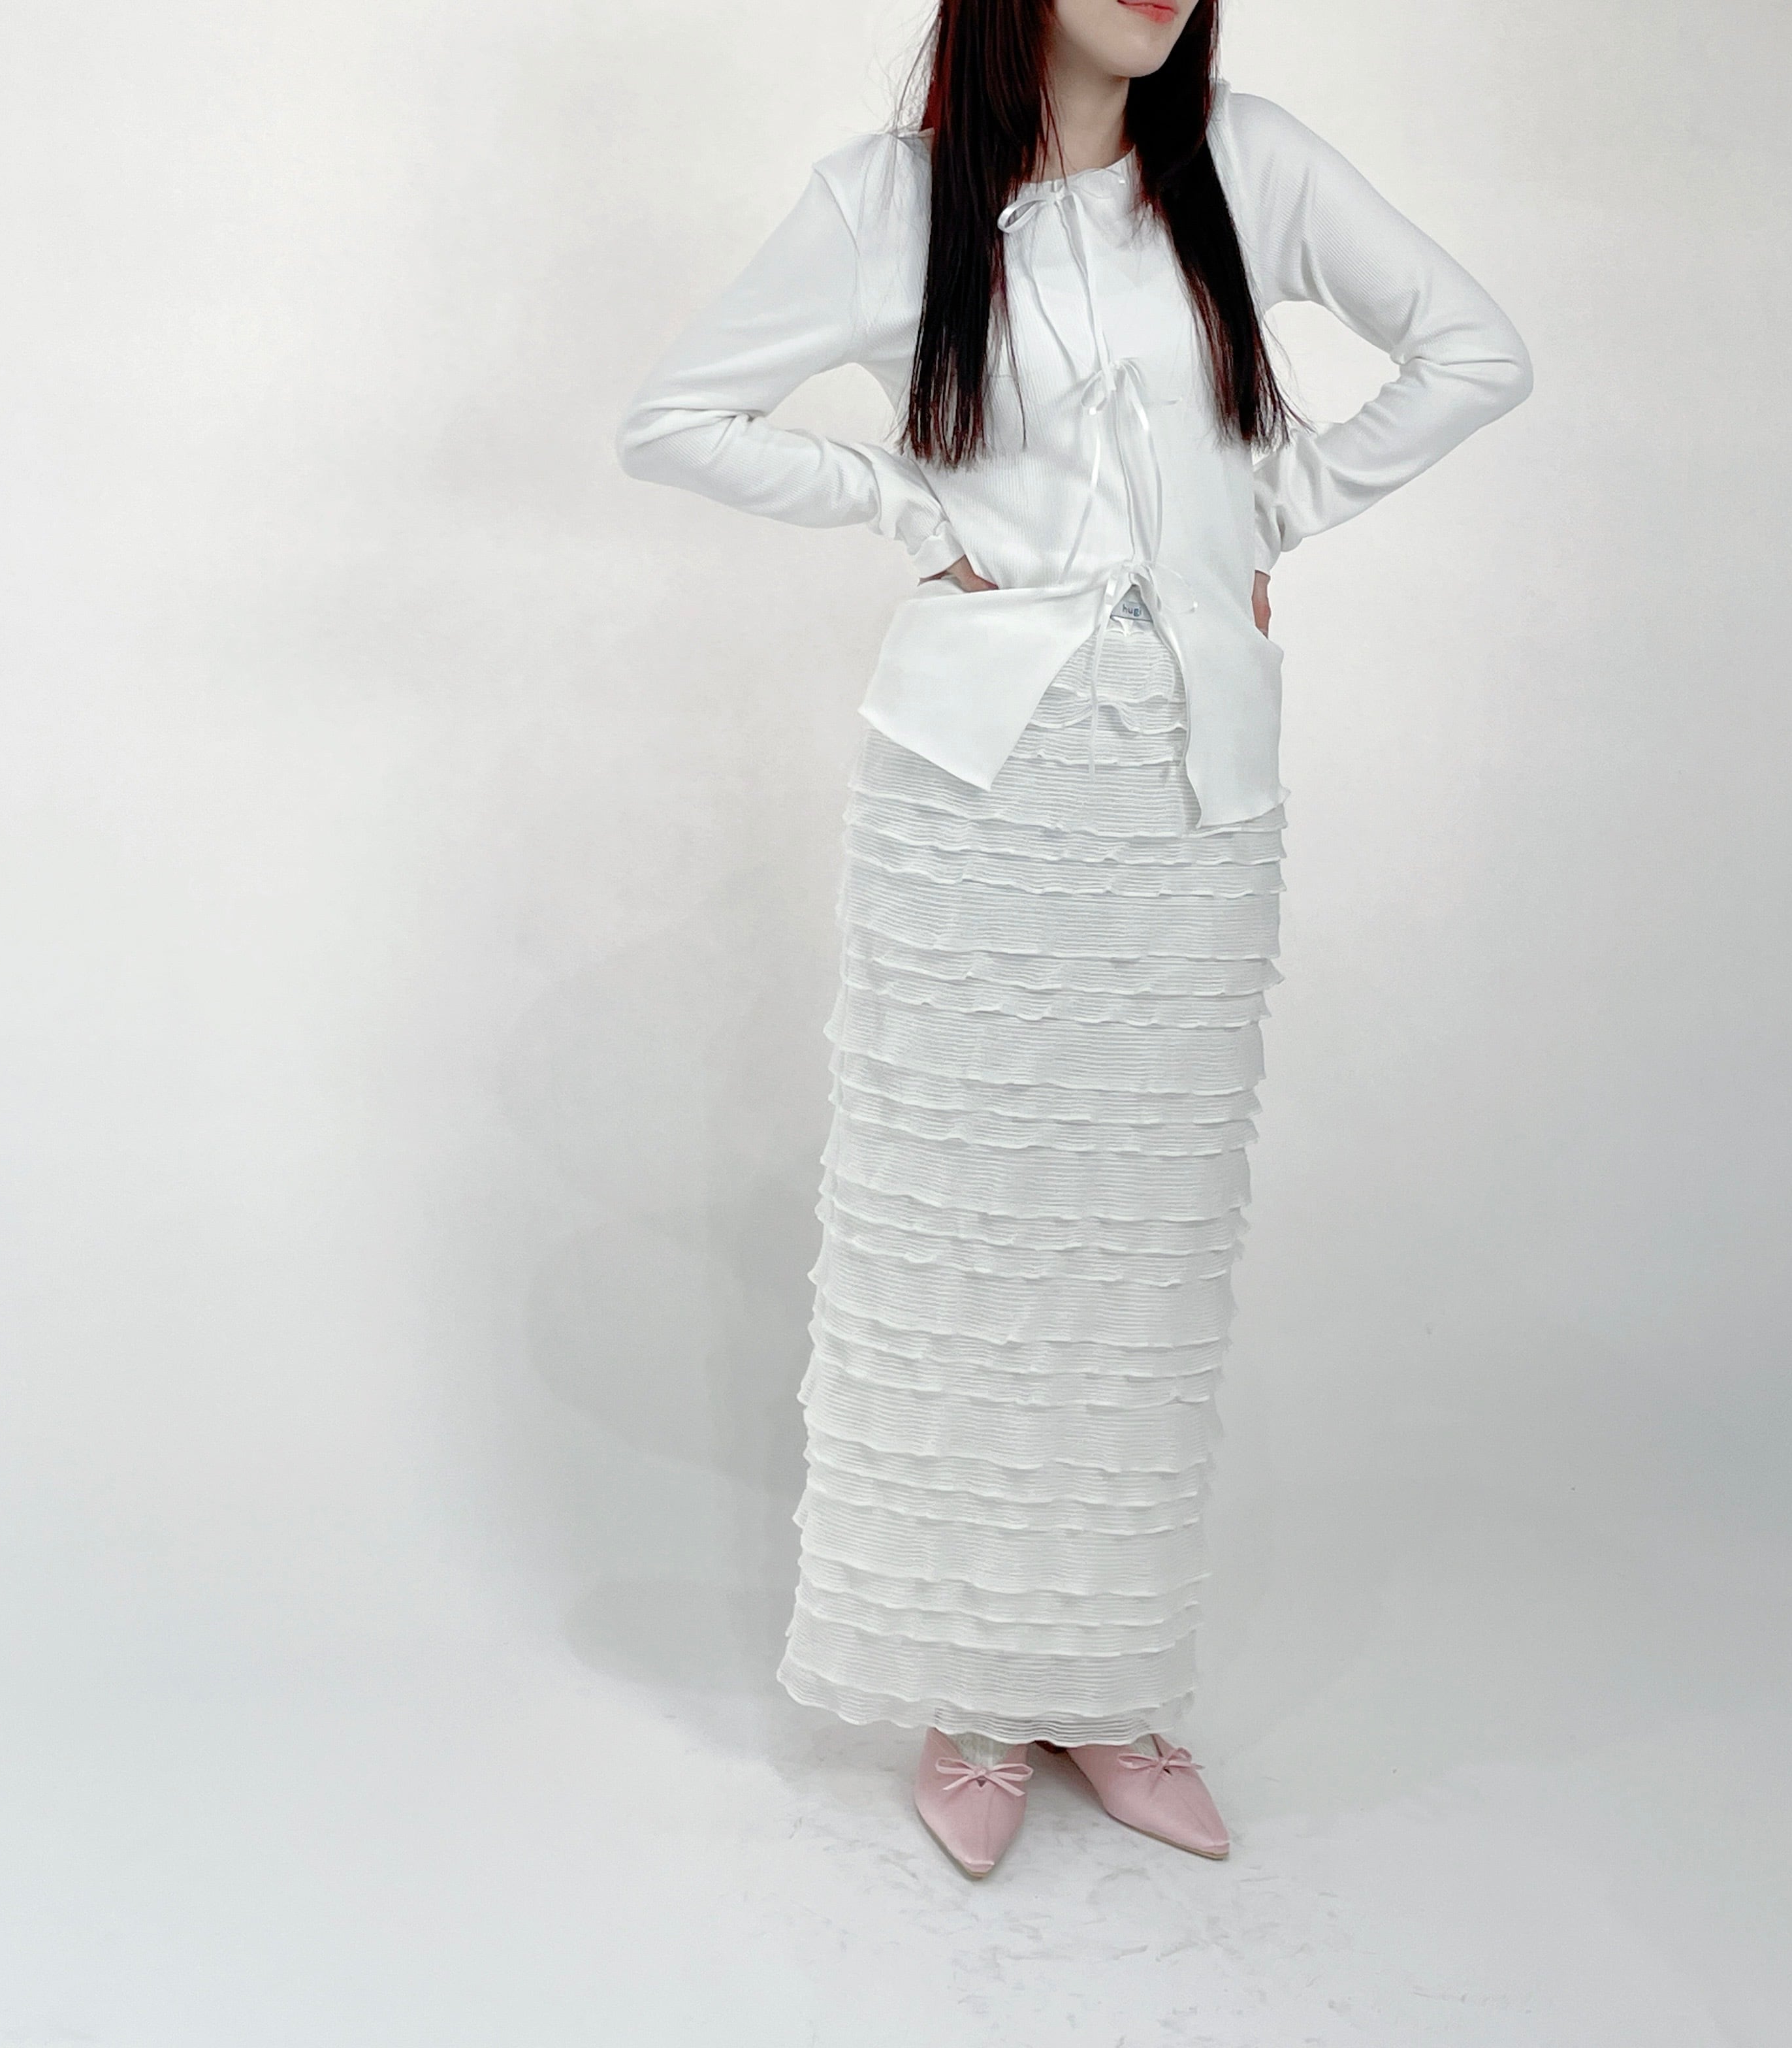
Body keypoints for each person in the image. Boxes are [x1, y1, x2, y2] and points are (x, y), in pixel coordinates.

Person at [615, 0, 1531, 1879]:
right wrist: (908, 511)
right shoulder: (888, 204)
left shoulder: (1250, 165)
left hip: (1190, 784)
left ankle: (1105, 1682)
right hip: (973, 784)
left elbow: (1475, 351)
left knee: (1140, 1244)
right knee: (968, 1234)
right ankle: (970, 1690)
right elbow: (675, 422)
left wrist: (1264, 514)